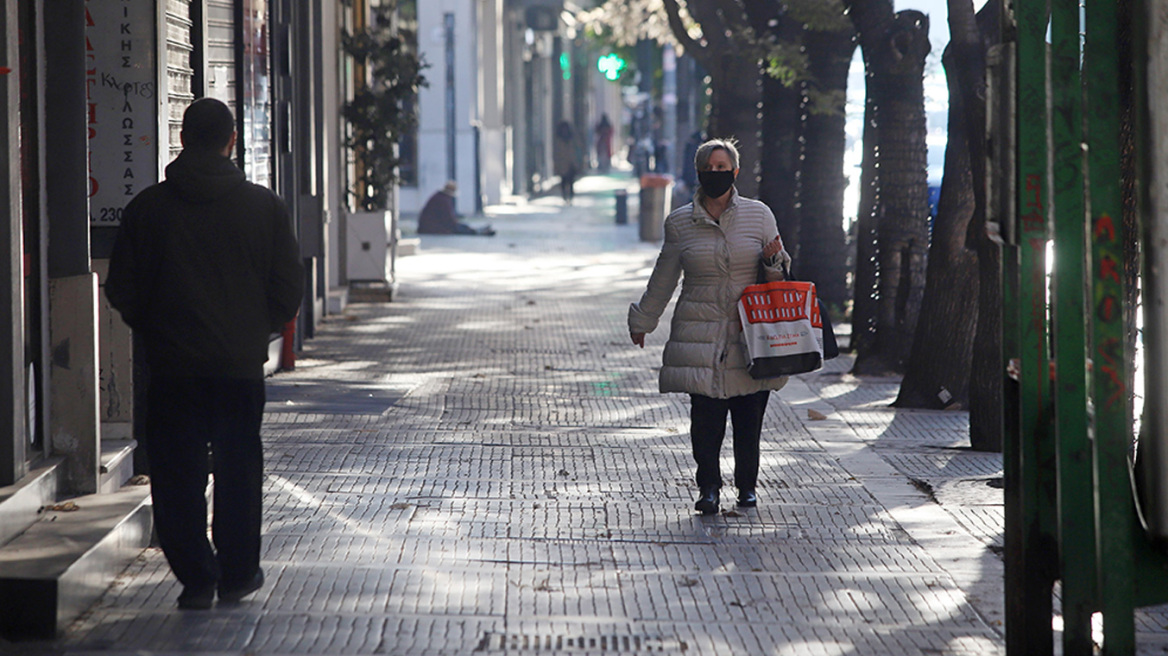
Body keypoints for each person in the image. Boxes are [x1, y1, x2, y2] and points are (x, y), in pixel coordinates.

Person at [104, 98, 304, 610]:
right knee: (239, 469)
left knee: (176, 474)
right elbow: (287, 290)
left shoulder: (147, 209)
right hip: (238, 368)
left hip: (172, 369)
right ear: (231, 140)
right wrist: (251, 331)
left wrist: (155, 329)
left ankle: (196, 576)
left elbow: (122, 288)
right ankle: (238, 574)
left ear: (182, 139)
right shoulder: (264, 207)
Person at [628, 138, 791, 516]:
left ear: (735, 172)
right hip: (699, 334)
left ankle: (747, 487)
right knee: (705, 422)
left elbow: (778, 277)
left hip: (749, 335)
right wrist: (643, 319)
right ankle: (709, 488)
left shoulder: (759, 215)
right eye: (709, 167)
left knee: (749, 418)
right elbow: (663, 277)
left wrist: (772, 261)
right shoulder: (680, 222)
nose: (715, 173)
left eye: (723, 167)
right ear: (699, 171)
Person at [416, 181, 494, 235]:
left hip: (431, 225)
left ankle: (477, 230)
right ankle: (477, 231)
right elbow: (449, 219)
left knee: (462, 226)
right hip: (432, 227)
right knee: (459, 228)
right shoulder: (443, 200)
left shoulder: (439, 197)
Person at [553, 120, 578, 204]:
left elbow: (575, 152)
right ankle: (565, 196)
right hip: (562, 165)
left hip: (571, 164)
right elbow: (556, 154)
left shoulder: (572, 140)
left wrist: (576, 163)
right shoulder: (558, 141)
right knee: (563, 181)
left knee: (570, 182)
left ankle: (570, 196)